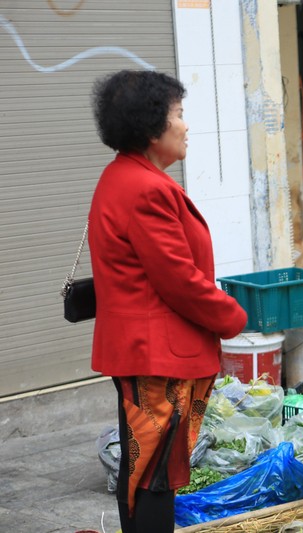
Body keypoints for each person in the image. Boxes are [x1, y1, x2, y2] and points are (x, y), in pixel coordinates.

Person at [88, 70, 248, 533]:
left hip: (147, 349)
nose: (185, 125)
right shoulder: (145, 188)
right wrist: (232, 315)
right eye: (178, 114)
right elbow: (178, 279)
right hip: (157, 354)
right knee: (152, 473)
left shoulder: (126, 176)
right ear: (150, 125)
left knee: (144, 469)